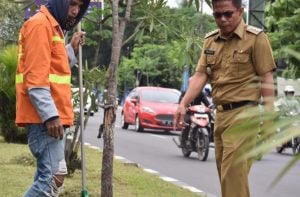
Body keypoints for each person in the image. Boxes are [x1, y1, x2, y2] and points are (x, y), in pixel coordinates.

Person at [174, 0, 276, 197]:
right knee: (228, 176)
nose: (222, 19)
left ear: (240, 11)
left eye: (228, 14)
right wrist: (183, 103)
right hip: (220, 114)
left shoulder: (256, 38)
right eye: (217, 15)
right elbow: (201, 75)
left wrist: (270, 116)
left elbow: (266, 78)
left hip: (244, 114)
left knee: (232, 173)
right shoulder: (211, 41)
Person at [15, 0, 90, 196]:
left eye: (80, 7)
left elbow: (53, 67)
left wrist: (71, 48)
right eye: (72, 4)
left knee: (50, 176)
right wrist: (50, 116)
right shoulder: (40, 25)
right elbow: (36, 78)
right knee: (52, 178)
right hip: (44, 119)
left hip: (50, 116)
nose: (75, 11)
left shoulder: (52, 27)